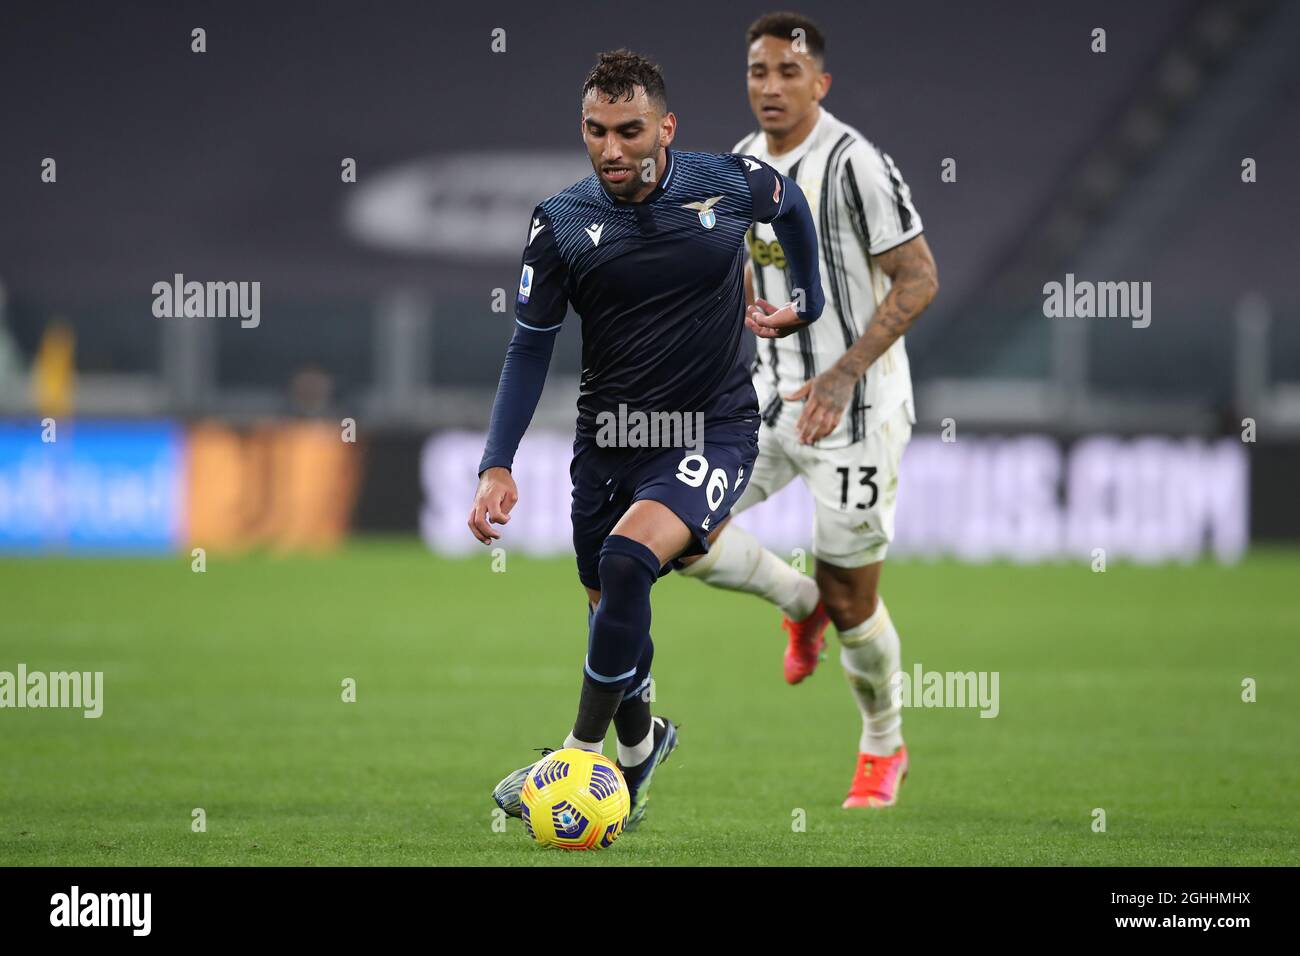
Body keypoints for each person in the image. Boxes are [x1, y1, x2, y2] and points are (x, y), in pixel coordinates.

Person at [469, 48, 825, 827]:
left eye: (629, 131)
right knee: (610, 608)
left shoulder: (726, 185)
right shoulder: (559, 222)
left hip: (713, 428)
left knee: (628, 560)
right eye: (595, 131)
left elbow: (792, 205)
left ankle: (576, 756)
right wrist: (497, 463)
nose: (611, 149)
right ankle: (640, 749)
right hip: (609, 439)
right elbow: (529, 346)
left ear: (666, 127)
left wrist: (808, 300)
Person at [677, 12, 939, 809]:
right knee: (674, 526)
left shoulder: (856, 164)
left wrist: (843, 373)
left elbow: (919, 278)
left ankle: (882, 745)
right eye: (759, 71)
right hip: (764, 399)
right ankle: (797, 602)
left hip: (854, 411)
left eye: (789, 72)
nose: (771, 86)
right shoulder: (740, 165)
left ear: (819, 83)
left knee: (855, 598)